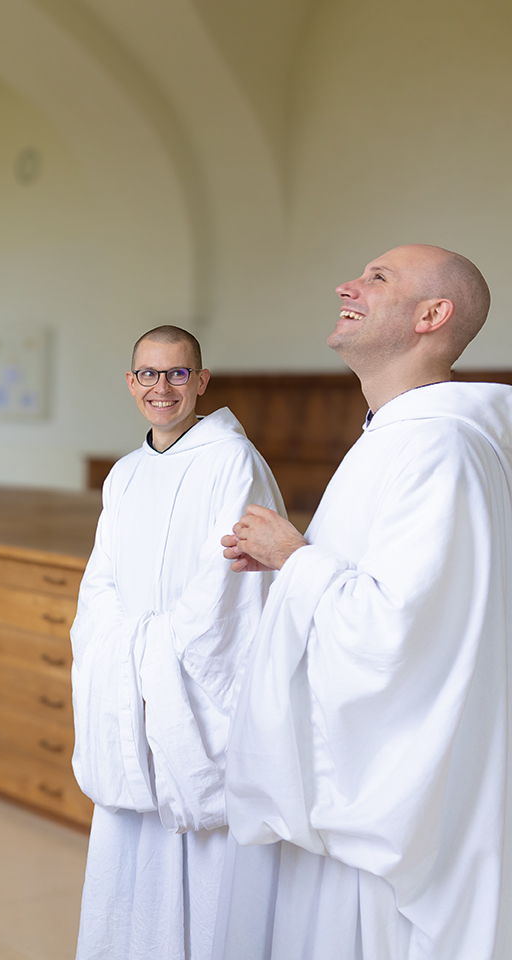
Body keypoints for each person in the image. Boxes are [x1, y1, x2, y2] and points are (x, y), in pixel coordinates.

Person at [219, 244, 511, 959]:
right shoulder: (398, 436)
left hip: (385, 809)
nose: (345, 285)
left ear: (431, 316)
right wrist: (290, 568)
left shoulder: (439, 446)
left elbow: (400, 633)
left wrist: (296, 559)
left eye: (377, 278)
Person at [69, 326, 284, 959]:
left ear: (201, 381)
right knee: (127, 849)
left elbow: (230, 585)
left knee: (200, 857)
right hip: (130, 677)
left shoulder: (232, 461)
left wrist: (158, 656)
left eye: (177, 373)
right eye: (148, 374)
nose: (161, 387)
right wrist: (123, 653)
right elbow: (100, 579)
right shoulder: (125, 474)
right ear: (130, 382)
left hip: (188, 687)